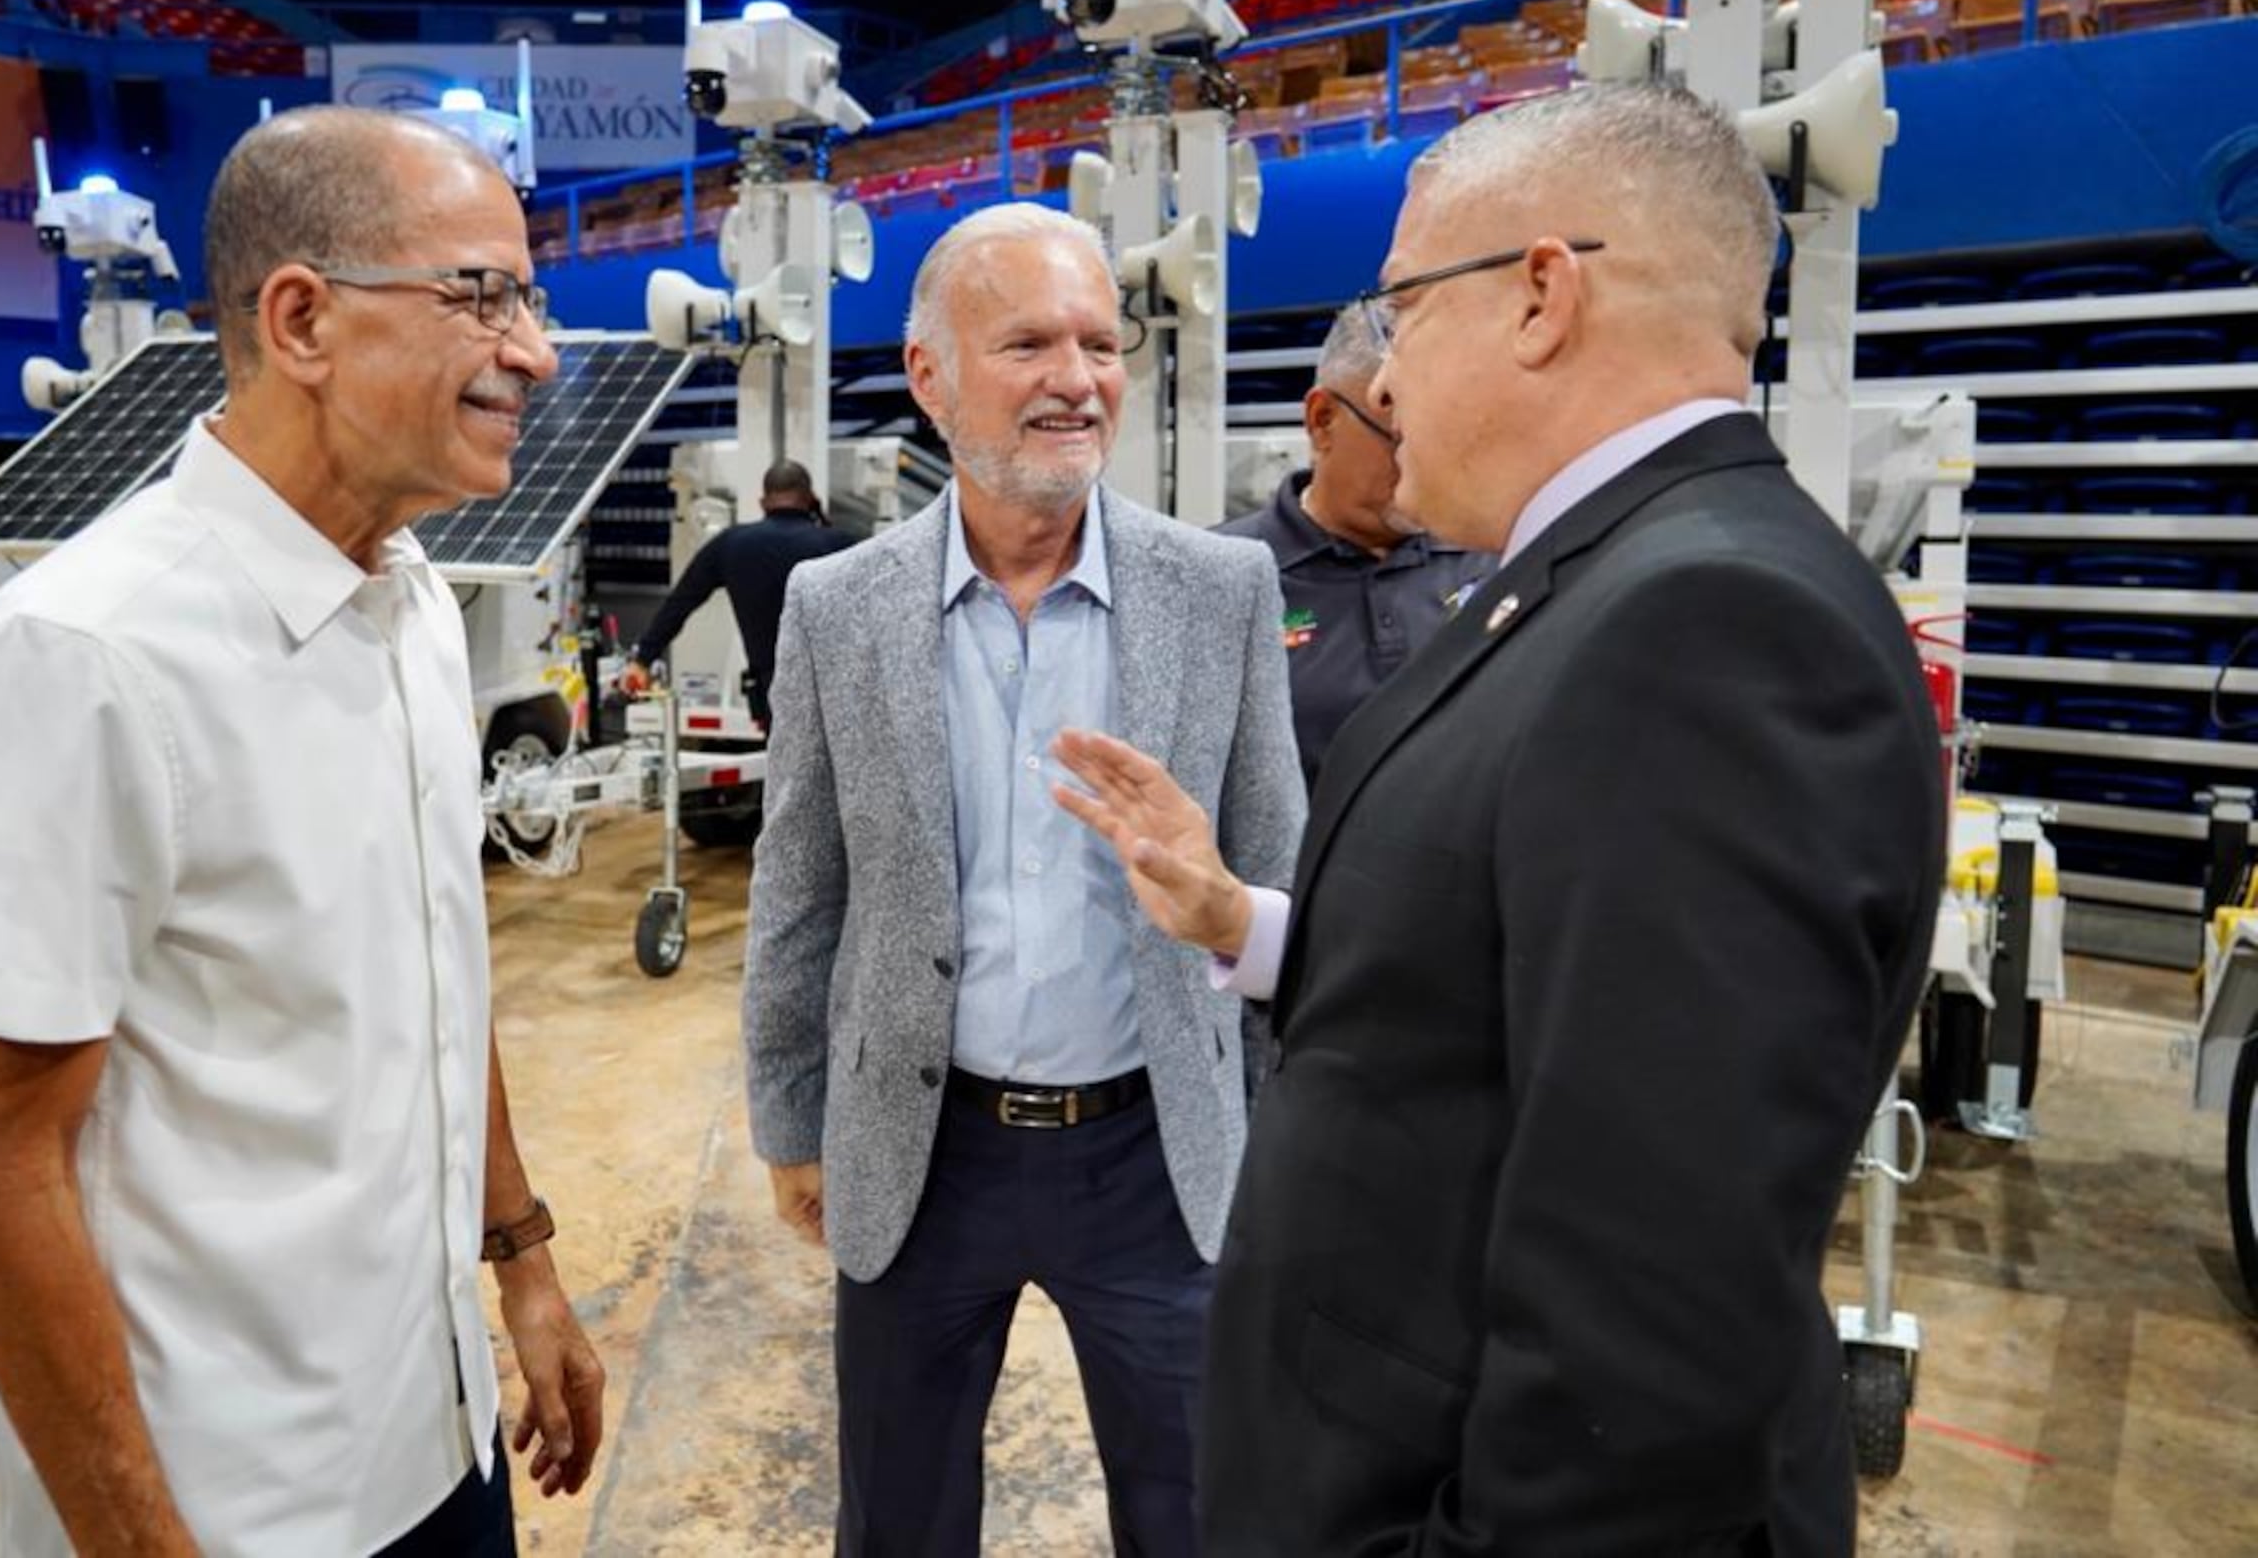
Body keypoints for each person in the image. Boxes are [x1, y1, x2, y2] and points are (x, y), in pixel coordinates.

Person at [1051, 85, 1945, 1556]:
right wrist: (1249, 923)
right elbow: (1505, 978)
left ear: (1541, 295)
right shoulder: (1612, 579)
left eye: (1403, 308)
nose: (1384, 378)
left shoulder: (1706, 629)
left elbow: (1646, 1335)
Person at [0, 106, 605, 1557]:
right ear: (302, 319)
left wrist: (523, 1261)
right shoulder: (84, 655)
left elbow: (437, 966)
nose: (534, 350)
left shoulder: (413, 600)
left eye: (527, 299)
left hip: (437, 1432)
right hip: (233, 1505)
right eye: (483, 295)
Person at [742, 201, 1306, 1556]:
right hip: (923, 1148)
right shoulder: (840, 604)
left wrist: (1291, 1136)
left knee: (1198, 1515)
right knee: (902, 1515)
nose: (1078, 378)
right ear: (932, 376)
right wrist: (790, 1114)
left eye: (1100, 343)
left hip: (1154, 1150)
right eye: (1031, 343)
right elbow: (801, 883)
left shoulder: (1220, 591)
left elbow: (1278, 865)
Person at [1214, 305, 1494, 788]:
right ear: (1322, 420)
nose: (1423, 463)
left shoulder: (1493, 554)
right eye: (1401, 437)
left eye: (1443, 438)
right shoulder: (1220, 576)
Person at [619, 458, 853, 727]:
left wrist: (642, 659)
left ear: (763, 502)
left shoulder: (731, 544)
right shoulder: (840, 545)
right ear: (810, 499)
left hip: (771, 698)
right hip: (832, 696)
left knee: (781, 767)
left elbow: (680, 603)